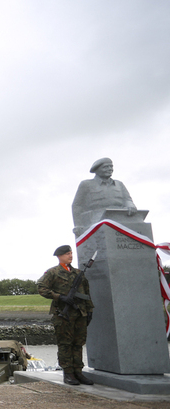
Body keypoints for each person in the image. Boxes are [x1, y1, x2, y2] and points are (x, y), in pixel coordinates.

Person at [37, 245, 95, 385]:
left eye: (71, 253)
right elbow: (41, 287)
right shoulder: (53, 272)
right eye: (67, 254)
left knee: (78, 343)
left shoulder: (78, 273)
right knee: (65, 344)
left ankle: (78, 372)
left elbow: (86, 293)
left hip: (80, 312)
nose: (70, 255)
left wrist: (89, 310)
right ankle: (68, 373)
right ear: (60, 256)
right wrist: (59, 297)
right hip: (63, 314)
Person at [71, 157, 137, 229]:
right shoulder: (86, 184)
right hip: (96, 222)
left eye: (111, 166)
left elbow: (127, 200)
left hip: (120, 219)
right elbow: (77, 206)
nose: (110, 169)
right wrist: (78, 225)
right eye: (105, 167)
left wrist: (131, 206)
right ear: (97, 170)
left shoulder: (119, 184)